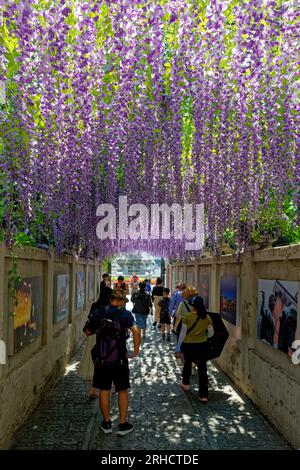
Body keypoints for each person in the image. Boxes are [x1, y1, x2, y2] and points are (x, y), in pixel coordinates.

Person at [83, 289, 141, 435]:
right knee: (122, 389)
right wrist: (135, 350)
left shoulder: (99, 312)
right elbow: (136, 331)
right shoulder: (125, 314)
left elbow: (87, 332)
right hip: (120, 358)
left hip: (102, 359)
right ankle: (122, 425)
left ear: (110, 299)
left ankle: (107, 423)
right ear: (121, 301)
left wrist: (101, 332)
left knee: (104, 389)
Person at [177, 296, 214, 402]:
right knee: (202, 369)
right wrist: (203, 336)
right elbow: (211, 333)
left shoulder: (187, 317)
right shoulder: (206, 317)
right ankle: (203, 395)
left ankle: (186, 384)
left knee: (187, 364)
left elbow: (183, 334)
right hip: (202, 345)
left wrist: (178, 346)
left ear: (192, 305)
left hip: (188, 345)